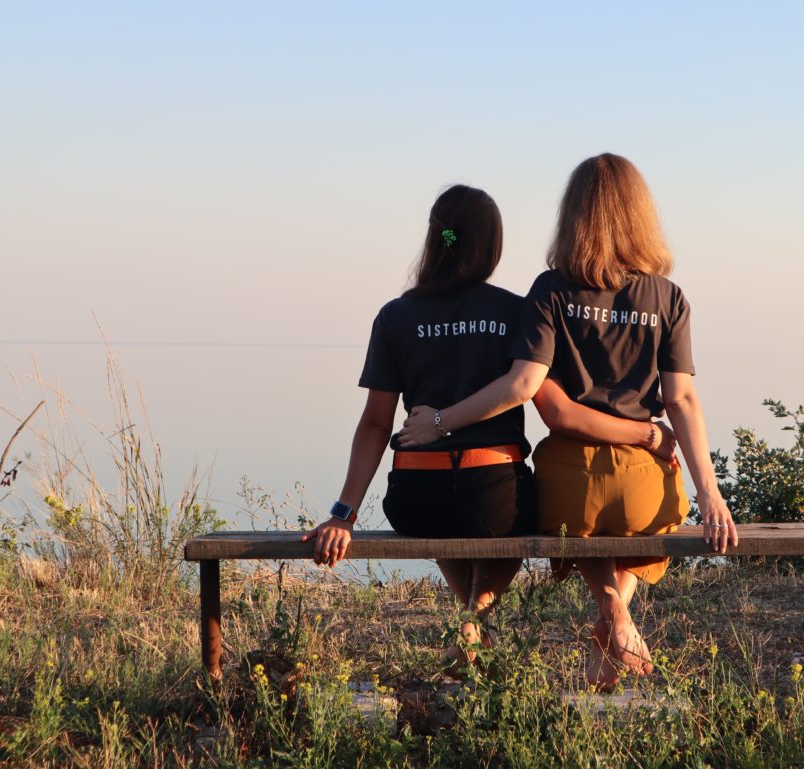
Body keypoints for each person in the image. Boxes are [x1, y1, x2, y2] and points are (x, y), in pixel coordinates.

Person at [397, 154, 737, 689]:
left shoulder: (550, 291)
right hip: (646, 479)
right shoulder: (668, 298)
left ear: (573, 215)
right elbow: (684, 401)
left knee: (574, 520)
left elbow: (536, 395)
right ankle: (614, 618)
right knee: (658, 517)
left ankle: (610, 615)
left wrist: (439, 422)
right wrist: (709, 493)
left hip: (568, 480)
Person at [306, 183, 674, 674]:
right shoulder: (512, 311)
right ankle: (474, 618)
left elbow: (375, 424)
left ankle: (475, 630)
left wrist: (343, 512)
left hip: (415, 498)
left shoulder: (395, 316)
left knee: (446, 518)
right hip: (494, 495)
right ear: (491, 246)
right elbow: (542, 398)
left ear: (436, 239)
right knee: (512, 514)